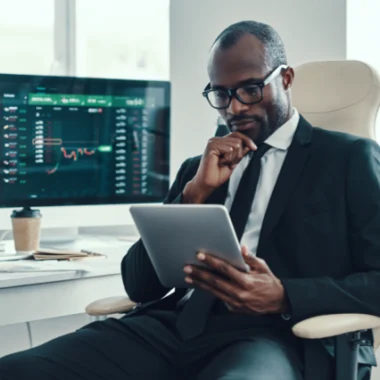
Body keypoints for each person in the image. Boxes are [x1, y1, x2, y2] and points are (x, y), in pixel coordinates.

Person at [1, 20, 380, 380]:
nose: (234, 108)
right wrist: (192, 193)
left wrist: (284, 295)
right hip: (176, 327)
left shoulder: (348, 159)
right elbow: (139, 286)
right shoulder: (200, 169)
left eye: (250, 89)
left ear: (285, 78)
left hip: (273, 336)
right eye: (220, 94)